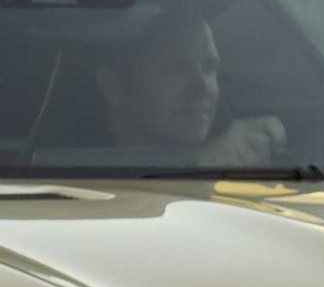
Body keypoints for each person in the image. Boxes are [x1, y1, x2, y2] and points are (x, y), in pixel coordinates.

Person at [94, 9, 285, 168]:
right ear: (114, 86)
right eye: (177, 69)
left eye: (209, 66)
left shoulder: (245, 157)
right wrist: (202, 167)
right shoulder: (75, 180)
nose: (201, 87)